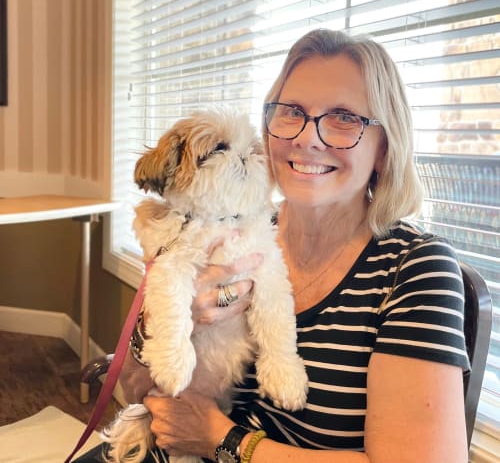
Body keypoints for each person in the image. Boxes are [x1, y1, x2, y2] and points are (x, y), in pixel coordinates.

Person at [76, 29, 469, 462]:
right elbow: (136, 387)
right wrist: (156, 326)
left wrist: (221, 439)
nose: (308, 138)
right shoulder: (228, 235)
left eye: (344, 118)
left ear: (384, 149)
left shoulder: (415, 268)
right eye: (292, 112)